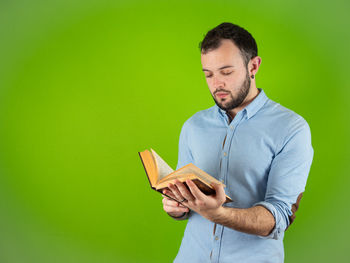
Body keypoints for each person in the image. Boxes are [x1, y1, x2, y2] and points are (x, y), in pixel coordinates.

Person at [161, 22, 314, 263]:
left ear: (253, 66)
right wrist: (176, 207)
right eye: (208, 74)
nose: (216, 84)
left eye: (226, 72)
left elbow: (280, 217)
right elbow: (187, 196)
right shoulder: (193, 126)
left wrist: (218, 214)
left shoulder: (292, 128)